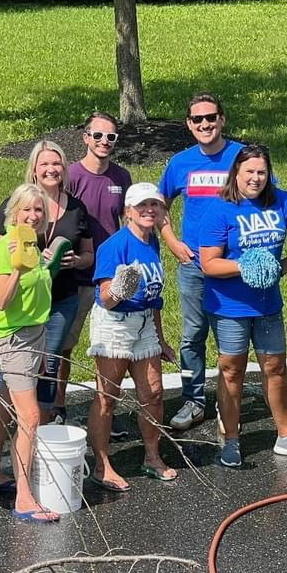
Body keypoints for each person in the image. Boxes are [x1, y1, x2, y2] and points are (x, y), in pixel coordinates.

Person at [199, 144, 287, 468]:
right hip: (230, 308)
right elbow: (208, 263)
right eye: (249, 171)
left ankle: (286, 435)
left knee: (276, 369)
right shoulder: (219, 210)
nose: (256, 178)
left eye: (262, 172)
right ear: (236, 172)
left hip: (268, 306)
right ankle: (231, 439)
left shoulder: (281, 202)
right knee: (232, 371)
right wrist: (244, 266)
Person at [0, 141, 93, 423]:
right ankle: (6, 430)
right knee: (12, 372)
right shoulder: (16, 204)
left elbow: (89, 255)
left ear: (65, 168)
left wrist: (75, 261)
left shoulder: (76, 208)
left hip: (61, 300)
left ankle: (38, 428)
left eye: (56, 163)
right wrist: (17, 267)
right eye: (44, 163)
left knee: (48, 366)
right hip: (20, 304)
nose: (51, 169)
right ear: (33, 169)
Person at [158, 93, 242, 431]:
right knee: (192, 334)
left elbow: (268, 197)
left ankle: (228, 403)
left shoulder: (241, 157)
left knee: (229, 336)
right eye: (197, 119)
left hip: (230, 265)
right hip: (193, 263)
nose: (205, 124)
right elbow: (159, 206)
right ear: (189, 124)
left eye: (211, 117)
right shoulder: (180, 163)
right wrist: (171, 241)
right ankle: (193, 400)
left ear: (222, 119)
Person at [86, 183, 177, 491]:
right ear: (128, 211)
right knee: (107, 397)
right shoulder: (114, 246)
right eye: (142, 206)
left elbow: (154, 297)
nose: (149, 210)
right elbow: (105, 299)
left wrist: (161, 340)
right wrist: (118, 290)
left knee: (153, 394)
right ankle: (102, 466)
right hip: (115, 323)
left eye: (155, 204)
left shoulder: (152, 242)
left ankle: (152, 457)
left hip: (145, 322)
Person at [0, 184, 60, 522]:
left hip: (34, 335)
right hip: (13, 338)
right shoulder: (6, 248)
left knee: (4, 403)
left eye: (38, 210)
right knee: (29, 416)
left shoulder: (34, 245)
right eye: (26, 209)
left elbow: (37, 299)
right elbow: (1, 300)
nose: (33, 215)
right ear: (14, 213)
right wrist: (17, 267)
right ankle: (25, 498)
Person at [59, 112, 132, 426]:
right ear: (86, 137)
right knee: (64, 346)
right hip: (75, 275)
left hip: (109, 276)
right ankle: (58, 406)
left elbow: (128, 221)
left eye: (110, 137)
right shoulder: (71, 175)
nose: (104, 141)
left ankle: (105, 415)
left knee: (111, 349)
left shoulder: (122, 177)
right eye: (98, 135)